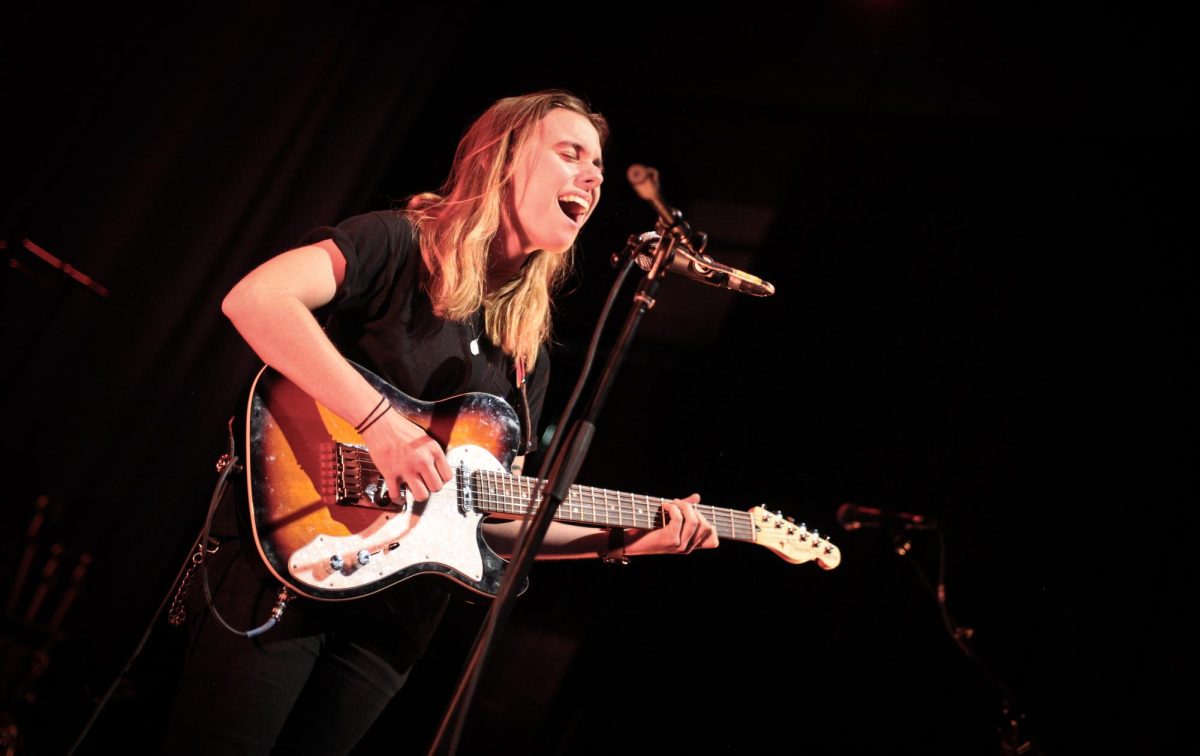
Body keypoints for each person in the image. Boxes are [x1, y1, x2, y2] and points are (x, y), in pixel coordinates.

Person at [162, 90, 718, 754]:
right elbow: (256, 299)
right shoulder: (398, 244)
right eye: (571, 154)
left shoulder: (524, 349)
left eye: (597, 165)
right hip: (289, 565)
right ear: (502, 159)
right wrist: (379, 423)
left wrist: (620, 541)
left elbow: (494, 518)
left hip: (392, 624)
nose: (593, 177)